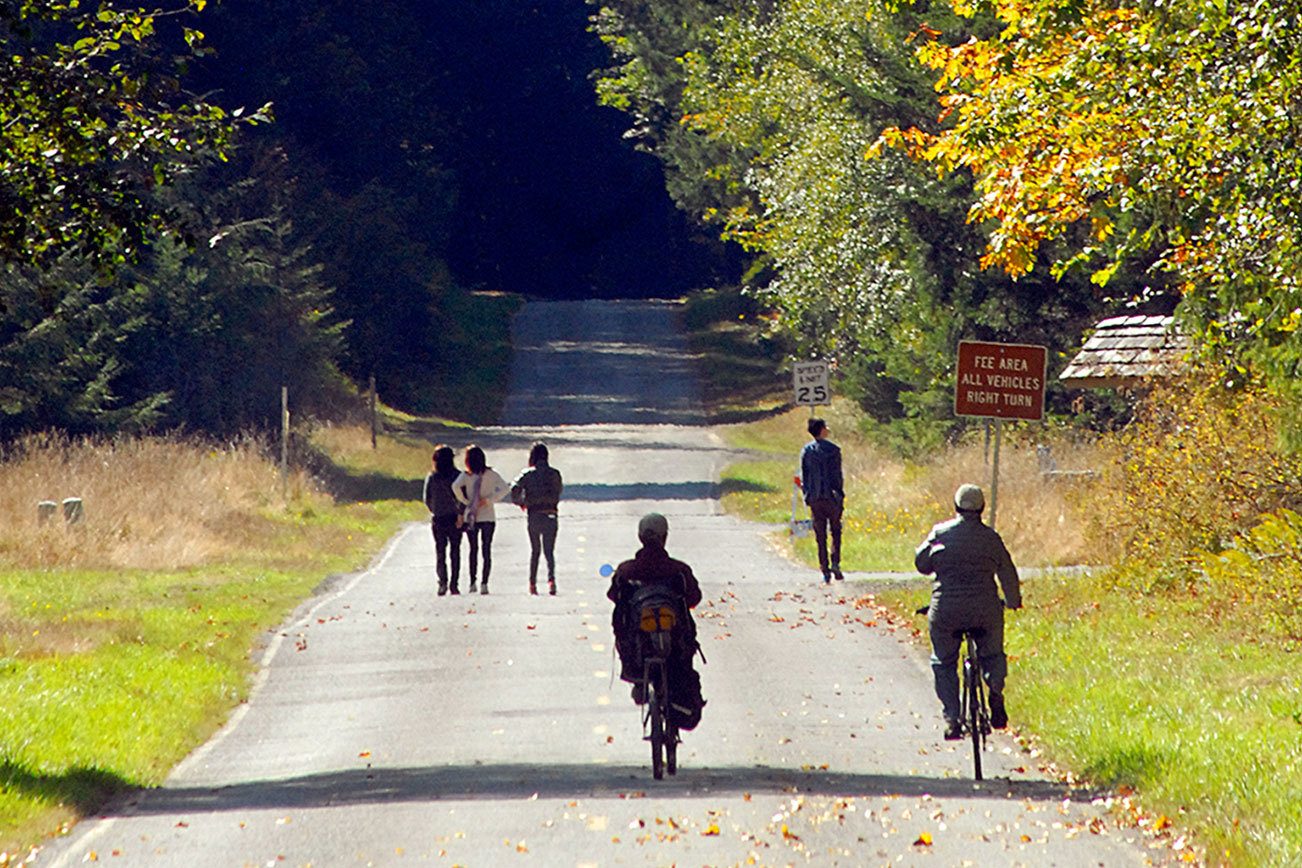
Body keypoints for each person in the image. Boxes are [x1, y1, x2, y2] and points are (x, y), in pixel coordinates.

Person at [914, 483, 1022, 740]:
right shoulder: (991, 538)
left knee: (944, 660)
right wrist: (1013, 600)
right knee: (993, 654)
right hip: (985, 610)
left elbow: (921, 562)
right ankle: (994, 688)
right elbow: (1007, 572)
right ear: (982, 509)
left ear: (955, 507)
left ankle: (952, 717)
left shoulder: (940, 533)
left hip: (946, 610)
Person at [607, 513, 706, 730]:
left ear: (640, 537)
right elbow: (694, 598)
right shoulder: (679, 570)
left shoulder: (626, 570)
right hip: (675, 643)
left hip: (637, 644)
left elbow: (614, 596)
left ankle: (637, 679)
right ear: (665, 537)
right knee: (683, 653)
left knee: (623, 627)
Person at [452, 445, 511, 595]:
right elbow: (505, 488)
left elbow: (455, 487)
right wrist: (490, 500)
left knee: (473, 549)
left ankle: (473, 582)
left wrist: (466, 501)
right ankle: (484, 583)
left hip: (472, 516)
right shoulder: (490, 474)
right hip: (488, 516)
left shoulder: (467, 476)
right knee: (486, 550)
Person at [510, 441, 564, 595]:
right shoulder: (555, 473)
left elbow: (514, 488)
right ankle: (551, 580)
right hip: (551, 513)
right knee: (549, 550)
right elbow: (558, 490)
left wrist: (521, 502)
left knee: (535, 550)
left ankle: (532, 584)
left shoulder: (527, 474)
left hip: (534, 514)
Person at [800, 417, 844, 583]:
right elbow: (837, 476)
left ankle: (824, 568)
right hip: (832, 497)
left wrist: (807, 495)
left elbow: (805, 475)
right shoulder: (834, 450)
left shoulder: (807, 451)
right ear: (822, 430)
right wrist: (839, 494)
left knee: (820, 534)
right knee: (836, 530)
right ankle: (835, 563)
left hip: (815, 497)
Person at [422, 445, 464, 596]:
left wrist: (434, 509)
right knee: (455, 551)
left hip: (439, 518)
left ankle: (442, 582)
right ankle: (454, 584)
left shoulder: (432, 477)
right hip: (455, 518)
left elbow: (427, 498)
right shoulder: (458, 476)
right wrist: (461, 514)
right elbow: (464, 499)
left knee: (440, 552)